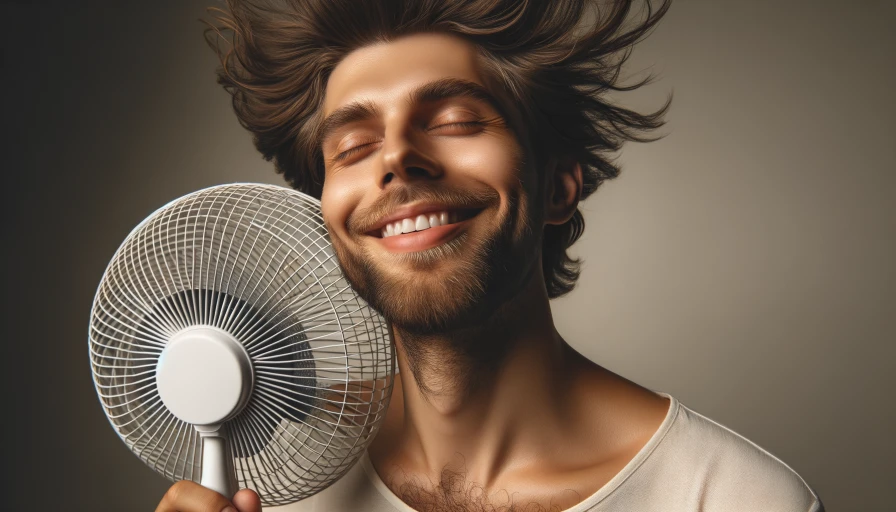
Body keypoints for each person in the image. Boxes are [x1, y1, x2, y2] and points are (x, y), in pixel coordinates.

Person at [155, 0, 824, 510]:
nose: (397, 159)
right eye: (353, 146)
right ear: (330, 218)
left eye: (454, 122)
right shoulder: (271, 485)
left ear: (559, 182)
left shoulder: (732, 498)